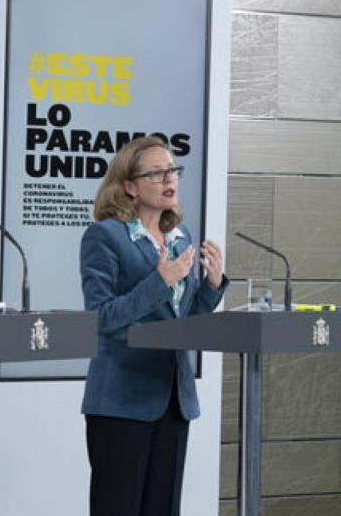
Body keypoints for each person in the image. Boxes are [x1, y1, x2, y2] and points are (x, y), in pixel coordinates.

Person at [80, 136, 227, 516]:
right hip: (122, 400)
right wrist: (160, 281)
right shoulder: (105, 236)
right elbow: (100, 318)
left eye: (172, 170)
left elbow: (183, 323)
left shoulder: (182, 237)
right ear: (128, 186)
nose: (169, 179)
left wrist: (212, 286)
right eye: (156, 172)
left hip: (174, 400)